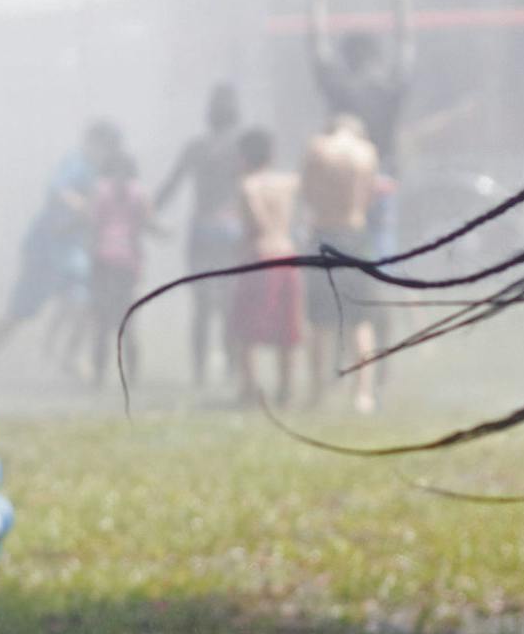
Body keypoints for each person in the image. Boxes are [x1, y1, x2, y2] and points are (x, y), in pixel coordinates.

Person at [307, 0, 413, 393]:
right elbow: (407, 45)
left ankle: (331, 372)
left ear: (348, 57)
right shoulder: (389, 85)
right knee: (376, 277)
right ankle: (375, 372)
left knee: (333, 280)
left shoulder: (342, 89)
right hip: (382, 185)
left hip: (341, 192)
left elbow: (317, 50)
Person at [0, 121, 114, 373]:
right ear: (91, 143)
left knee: (83, 303)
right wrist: (82, 206)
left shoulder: (100, 173)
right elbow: (58, 189)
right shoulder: (75, 162)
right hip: (44, 251)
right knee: (19, 312)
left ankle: (70, 358)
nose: (105, 154)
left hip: (73, 252)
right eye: (102, 147)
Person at [154, 83, 245, 389]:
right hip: (231, 230)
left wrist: (145, 214)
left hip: (204, 230)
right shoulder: (241, 146)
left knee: (203, 306)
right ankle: (231, 368)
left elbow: (169, 187)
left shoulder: (196, 147)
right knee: (230, 303)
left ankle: (200, 372)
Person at [299, 115, 380, 413]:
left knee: (319, 321)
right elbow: (369, 196)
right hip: (355, 234)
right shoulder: (367, 152)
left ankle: (318, 392)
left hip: (325, 232)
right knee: (360, 320)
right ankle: (364, 395)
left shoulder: (317, 148)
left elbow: (307, 193)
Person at [229, 128, 303, 407]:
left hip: (259, 256)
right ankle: (286, 388)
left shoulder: (248, 185)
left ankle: (248, 389)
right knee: (288, 326)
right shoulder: (288, 182)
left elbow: (257, 224)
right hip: (287, 254)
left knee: (247, 328)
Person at [88, 149, 157, 387]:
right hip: (128, 261)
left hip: (103, 259)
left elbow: (92, 222)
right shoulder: (139, 192)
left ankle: (98, 376)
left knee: (101, 319)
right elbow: (147, 223)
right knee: (128, 319)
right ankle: (133, 376)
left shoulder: (100, 190)